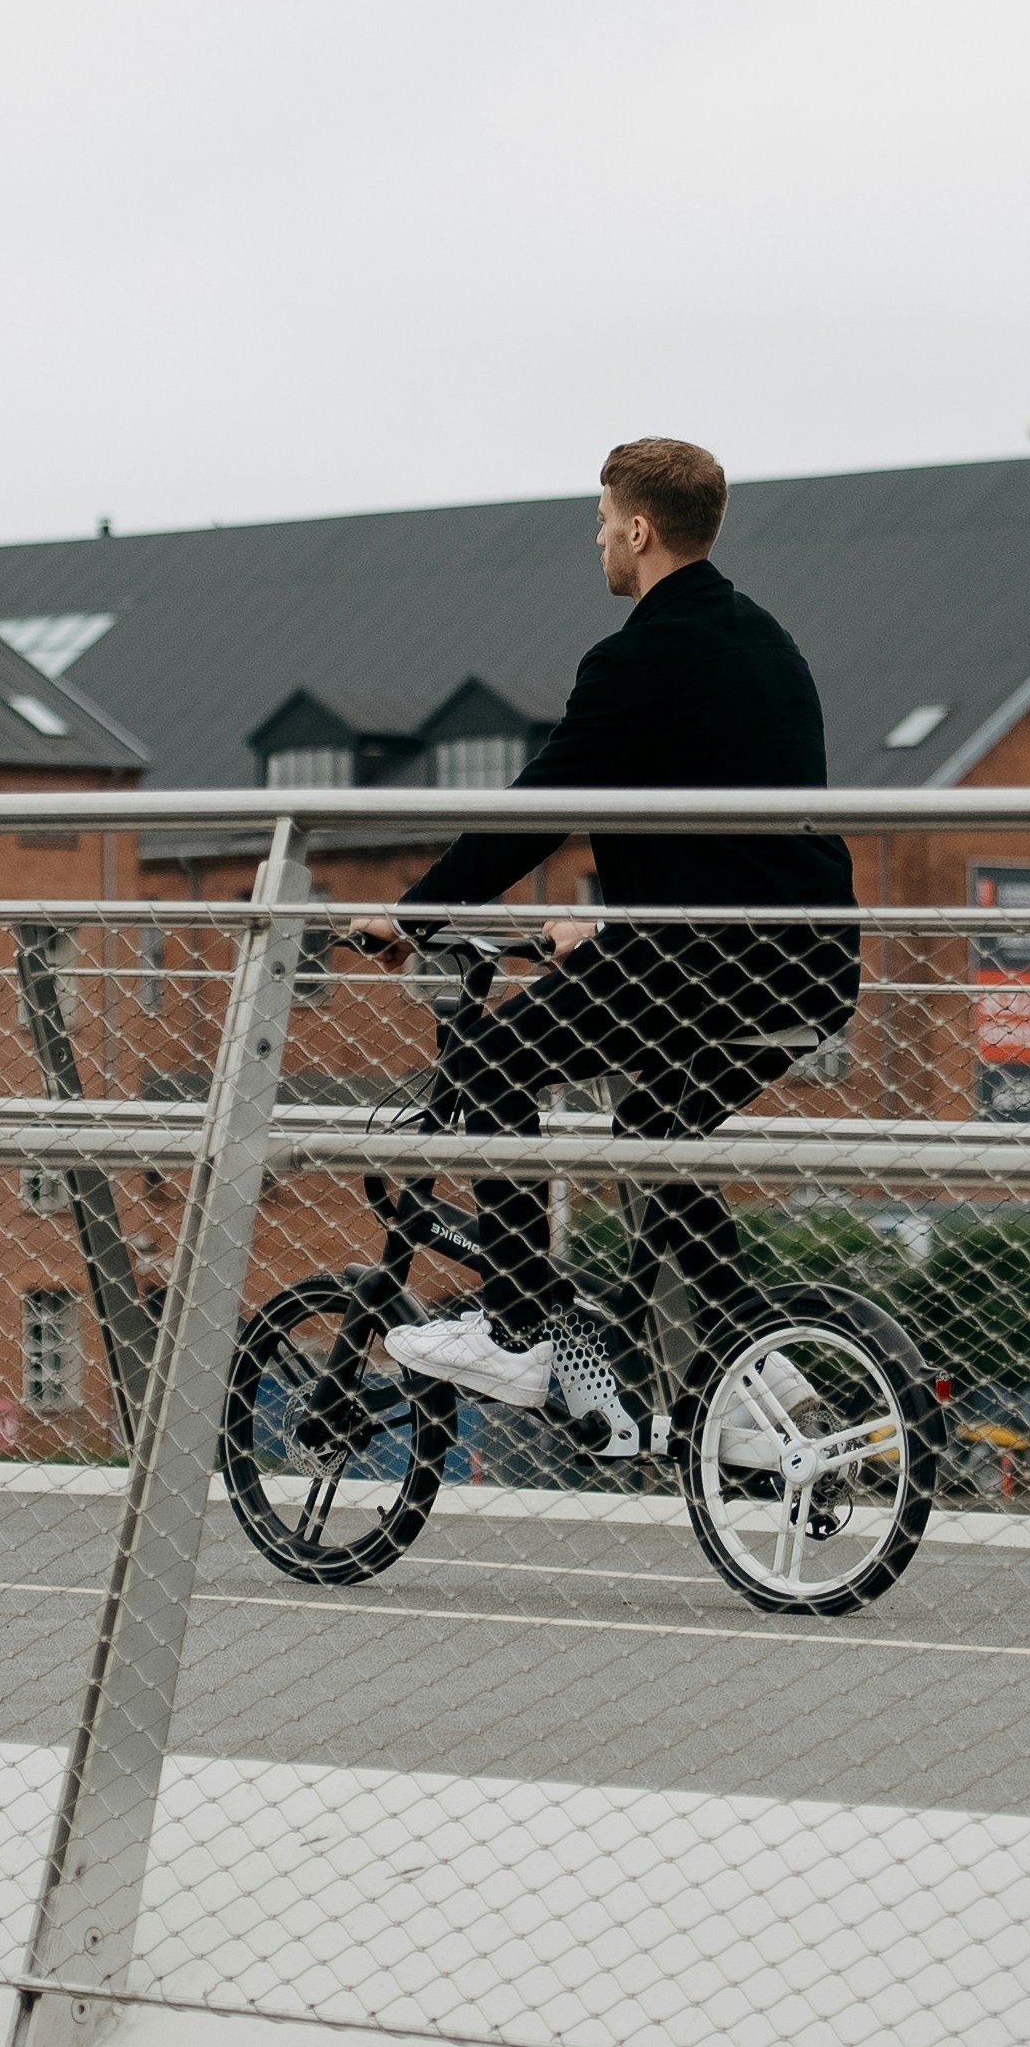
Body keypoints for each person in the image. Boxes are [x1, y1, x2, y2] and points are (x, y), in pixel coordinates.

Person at [336, 436, 861, 1457]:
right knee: (652, 1125)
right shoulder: (770, 641)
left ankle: (523, 1327)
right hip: (807, 961)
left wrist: (411, 916)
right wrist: (611, 926)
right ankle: (752, 1370)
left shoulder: (632, 656)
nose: (597, 543)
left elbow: (541, 809)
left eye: (598, 522)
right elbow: (730, 823)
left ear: (637, 528)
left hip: (700, 963)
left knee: (487, 1058)